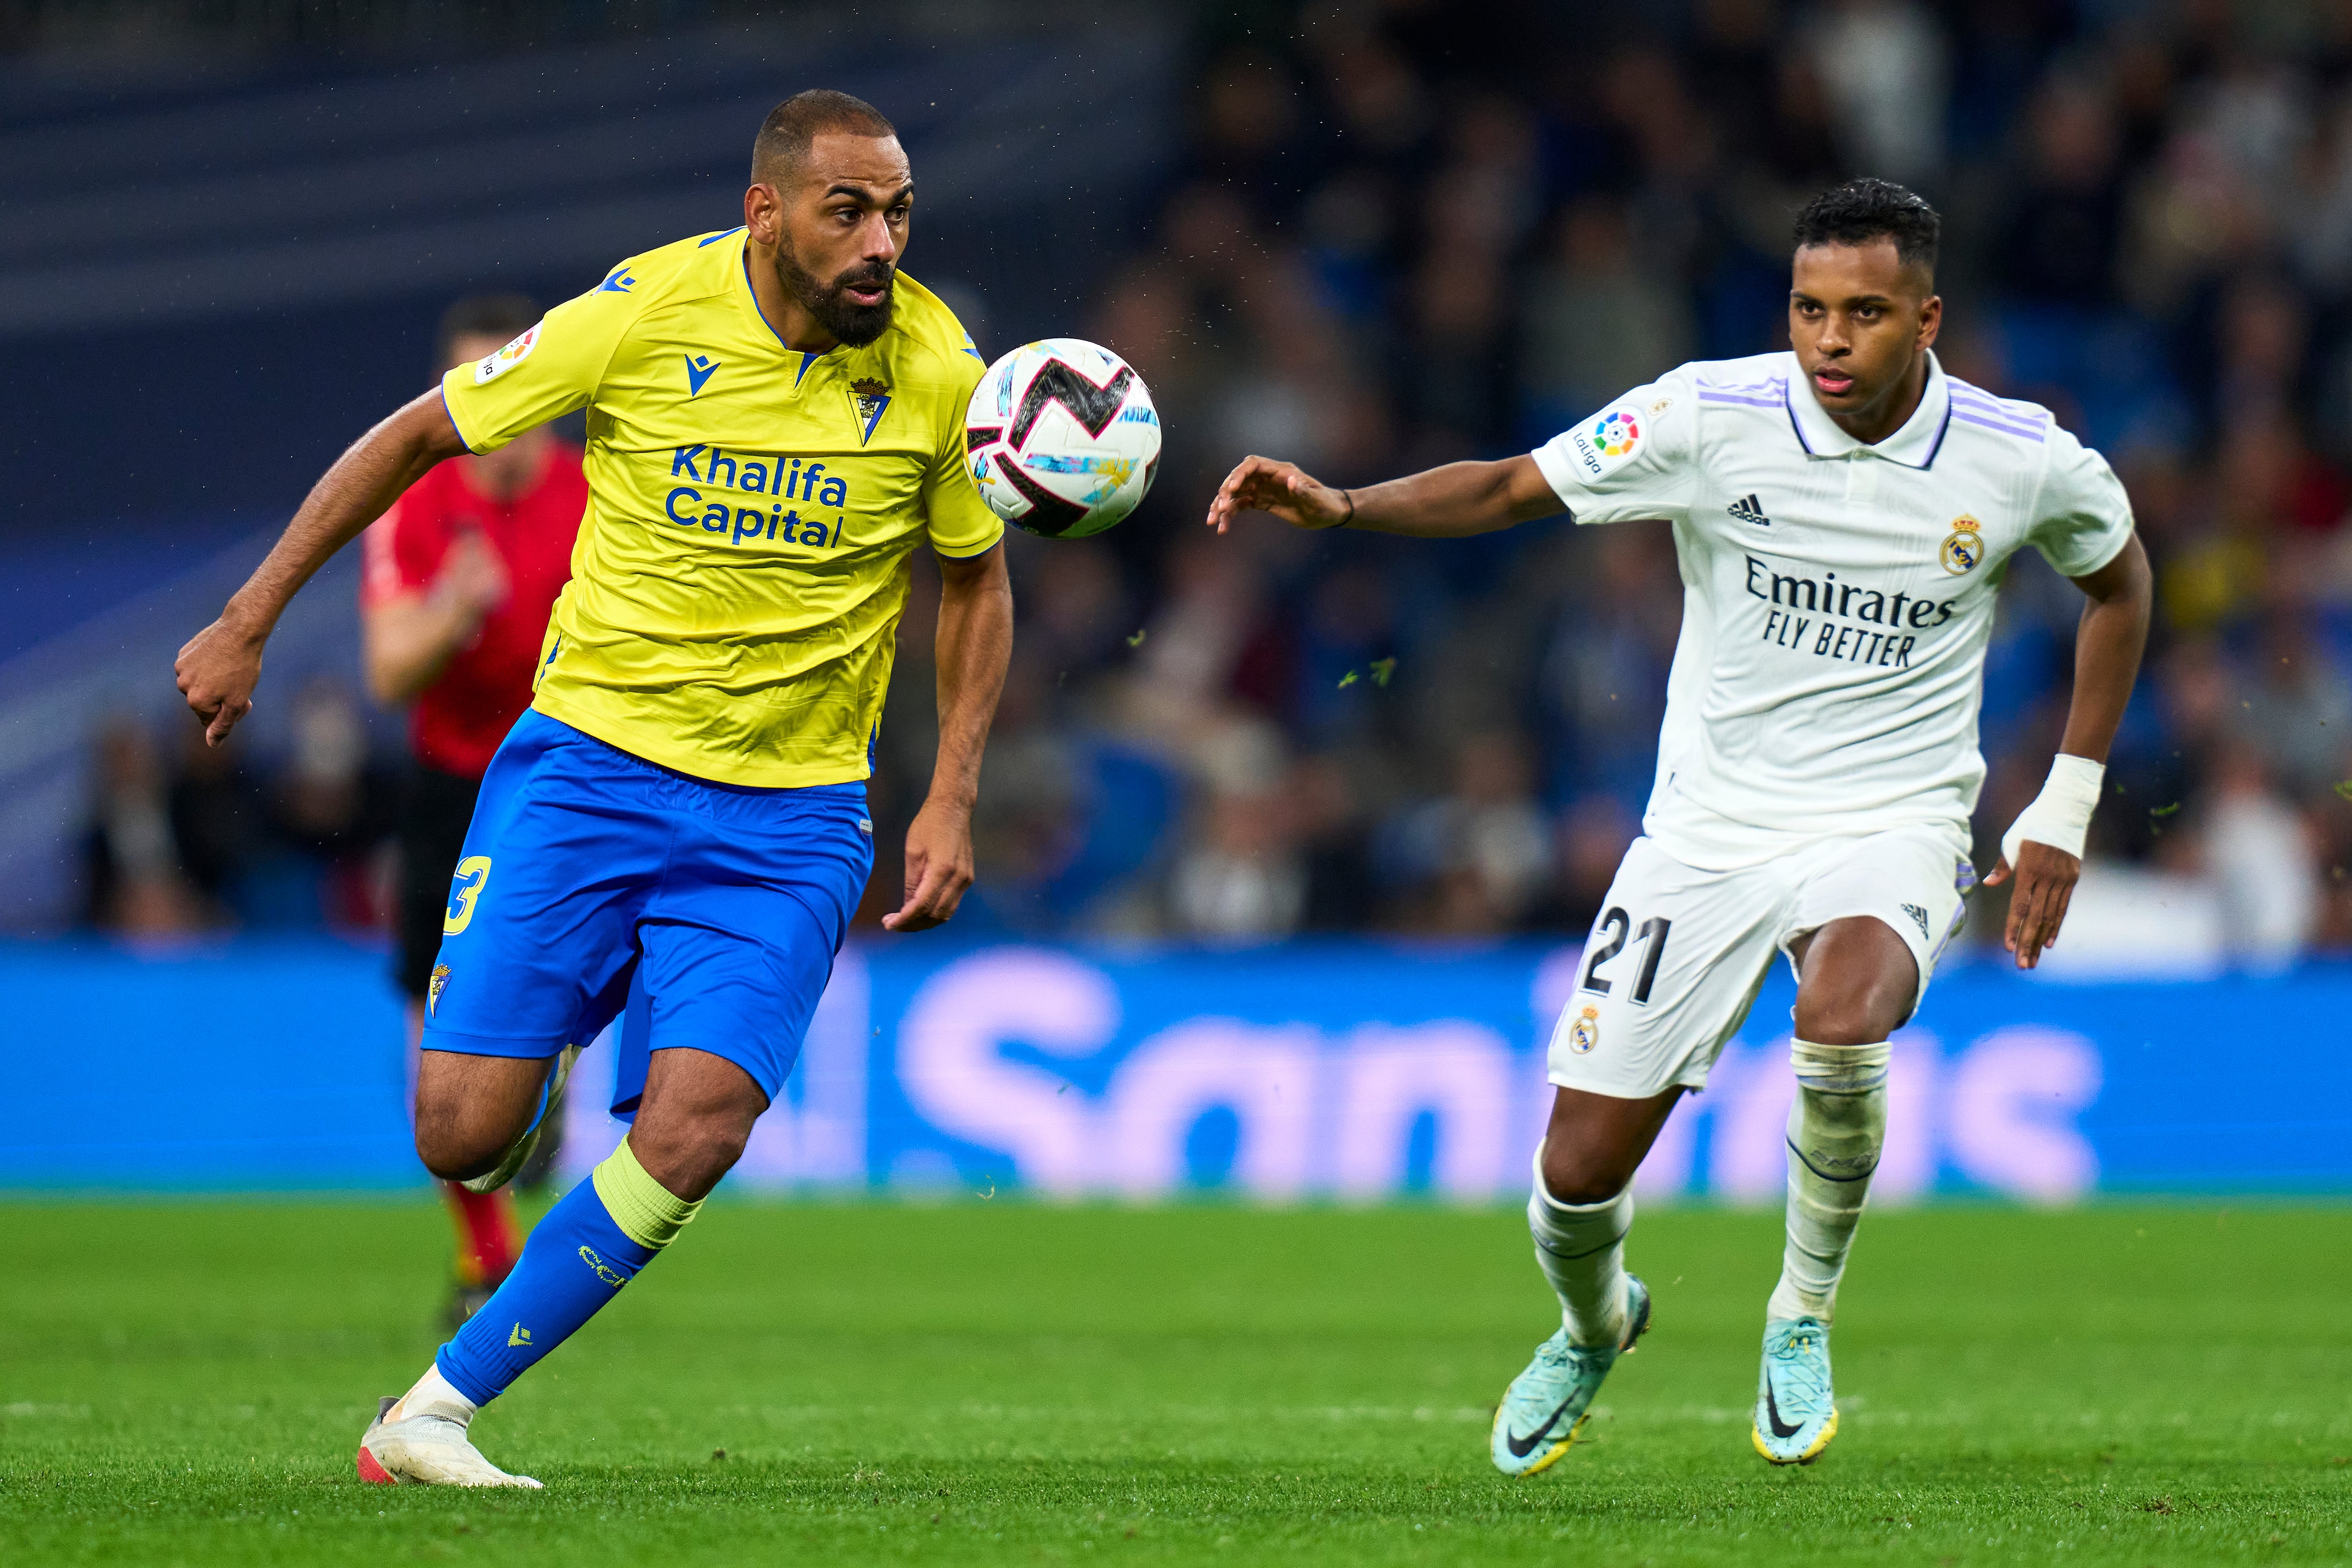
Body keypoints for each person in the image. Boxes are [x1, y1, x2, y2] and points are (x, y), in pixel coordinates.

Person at [1206, 179, 2150, 1474]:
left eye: (1865, 314)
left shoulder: (2020, 454)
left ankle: (1800, 1313)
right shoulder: (1713, 411)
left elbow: (2121, 580)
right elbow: (1510, 486)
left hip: (1893, 815)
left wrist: (2066, 802)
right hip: (1705, 832)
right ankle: (1596, 1325)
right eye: (1810, 308)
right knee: (1576, 1171)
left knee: (1843, 1016)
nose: (1830, 339)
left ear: (1927, 319)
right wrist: (1348, 504)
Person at [175, 89, 1012, 1487]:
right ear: (768, 213)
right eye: (850, 211)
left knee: (700, 1124)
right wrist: (250, 614)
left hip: (794, 815)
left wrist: (952, 794)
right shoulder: (638, 313)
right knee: (463, 1131)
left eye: (900, 211)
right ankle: (559, 1023)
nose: (884, 243)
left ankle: (431, 1411)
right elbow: (412, 438)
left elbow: (977, 578)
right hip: (590, 772)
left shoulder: (937, 364)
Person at [360, 292, 589, 1327]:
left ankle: (552, 1075)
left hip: (569, 778)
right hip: (452, 787)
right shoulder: (419, 501)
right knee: (437, 1028)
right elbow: (386, 672)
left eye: (506, 385)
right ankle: (483, 1255)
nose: (488, 413)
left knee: (561, 1005)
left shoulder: (597, 494)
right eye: (468, 390)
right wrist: (454, 607)